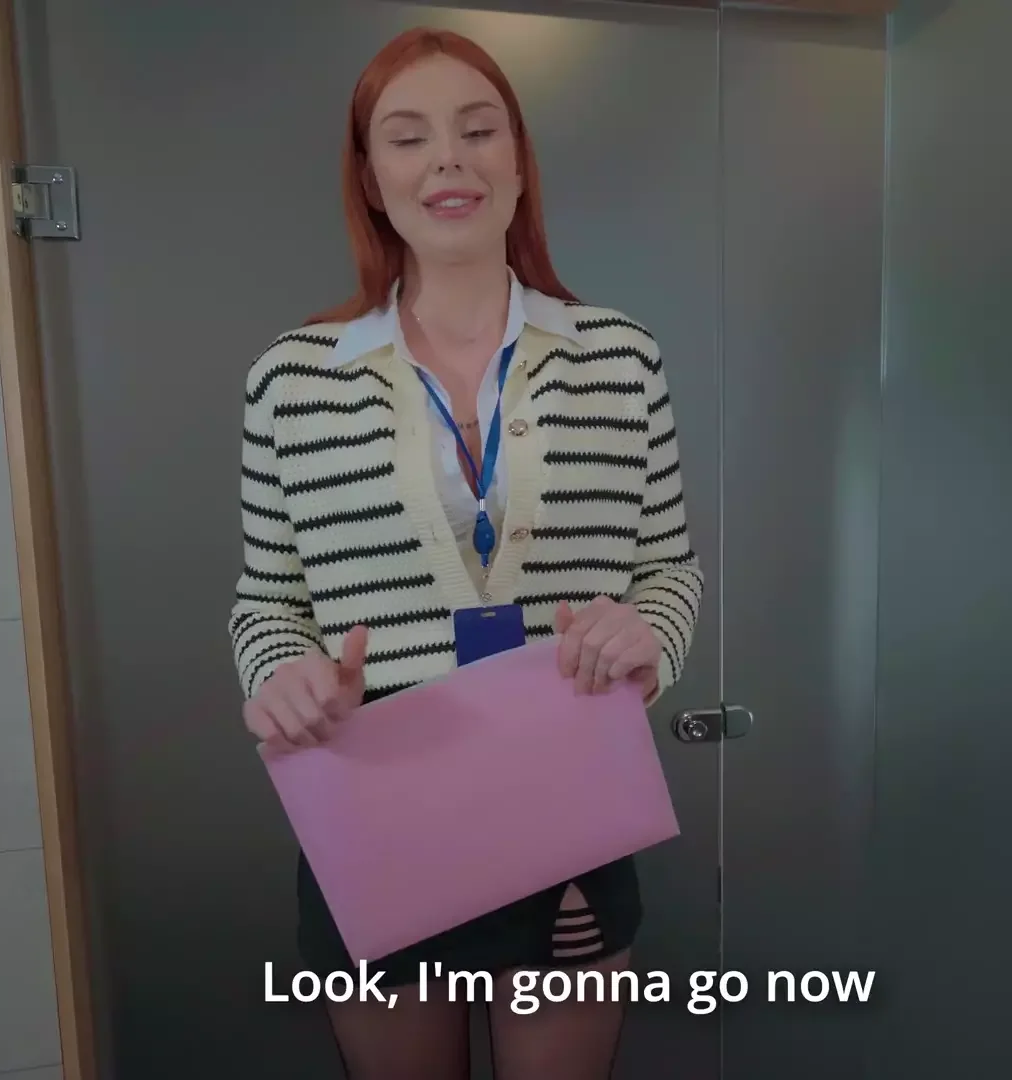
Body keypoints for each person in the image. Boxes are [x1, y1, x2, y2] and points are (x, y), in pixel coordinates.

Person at [228, 26, 703, 1080]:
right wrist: (282, 675)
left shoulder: (620, 358)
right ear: (371, 178)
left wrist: (648, 637)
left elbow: (668, 571)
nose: (448, 158)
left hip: (571, 814)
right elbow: (267, 601)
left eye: (479, 130)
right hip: (378, 811)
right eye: (409, 138)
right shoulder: (291, 379)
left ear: (519, 163)